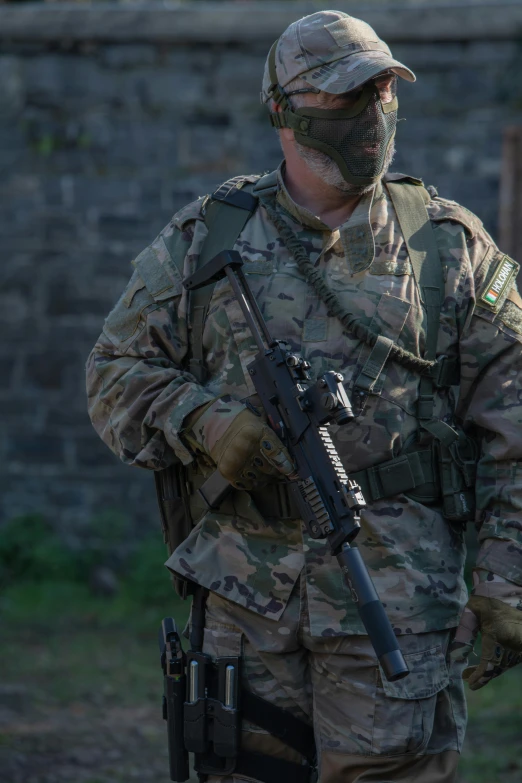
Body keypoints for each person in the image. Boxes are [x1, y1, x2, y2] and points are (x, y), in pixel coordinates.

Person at [86, 10, 522, 783]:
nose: (369, 118)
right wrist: (204, 421)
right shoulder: (207, 240)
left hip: (397, 606)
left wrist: (503, 580)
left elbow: (515, 421)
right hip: (249, 606)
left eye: (381, 94)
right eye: (344, 99)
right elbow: (115, 373)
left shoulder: (447, 248)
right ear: (284, 112)